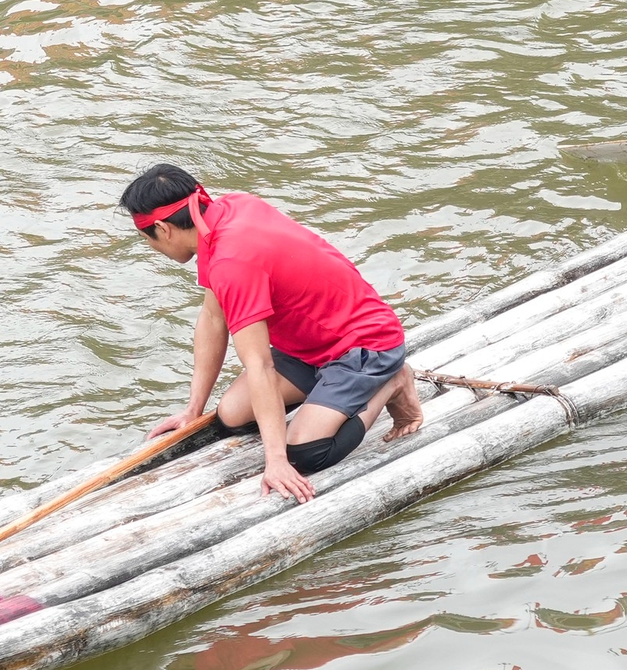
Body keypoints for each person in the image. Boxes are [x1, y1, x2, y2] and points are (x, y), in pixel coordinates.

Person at [121, 164, 423, 503]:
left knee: (305, 453)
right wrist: (194, 409)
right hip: (310, 347)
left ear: (163, 229)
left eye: (146, 238)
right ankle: (332, 394)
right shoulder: (228, 210)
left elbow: (260, 366)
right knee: (231, 414)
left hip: (365, 346)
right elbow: (212, 317)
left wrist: (276, 461)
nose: (150, 247)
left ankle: (392, 381)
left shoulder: (231, 263)